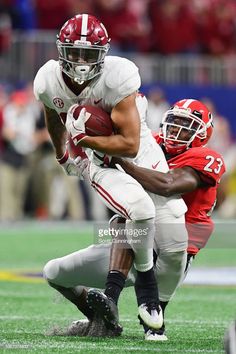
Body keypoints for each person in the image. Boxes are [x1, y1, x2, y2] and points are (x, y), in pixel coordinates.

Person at [35, 13, 187, 334]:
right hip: (101, 167)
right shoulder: (48, 81)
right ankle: (106, 313)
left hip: (160, 239)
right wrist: (63, 152)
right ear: (60, 51)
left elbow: (130, 146)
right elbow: (53, 114)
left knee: (149, 222)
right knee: (53, 270)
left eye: (87, 54)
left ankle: (142, 300)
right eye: (73, 52)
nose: (79, 61)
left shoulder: (119, 77)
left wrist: (84, 138)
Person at [43, 98, 225, 341]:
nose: (176, 130)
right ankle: (103, 317)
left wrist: (118, 159)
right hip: (132, 242)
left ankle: (133, 301)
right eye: (173, 123)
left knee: (130, 222)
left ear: (202, 133)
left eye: (186, 125)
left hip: (172, 253)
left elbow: (167, 185)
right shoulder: (150, 145)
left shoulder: (205, 156)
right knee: (54, 271)